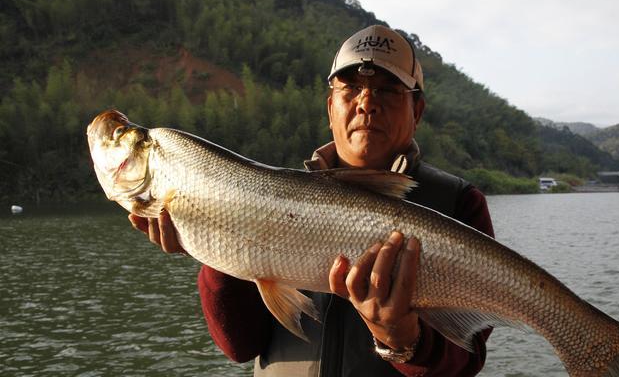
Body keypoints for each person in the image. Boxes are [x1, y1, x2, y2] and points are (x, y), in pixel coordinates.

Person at [129, 25, 495, 376]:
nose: (367, 103)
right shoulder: (263, 198)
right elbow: (238, 346)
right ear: (330, 108)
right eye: (351, 88)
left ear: (417, 111)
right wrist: (214, 247)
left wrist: (401, 338)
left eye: (387, 90)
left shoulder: (458, 204)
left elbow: (467, 358)